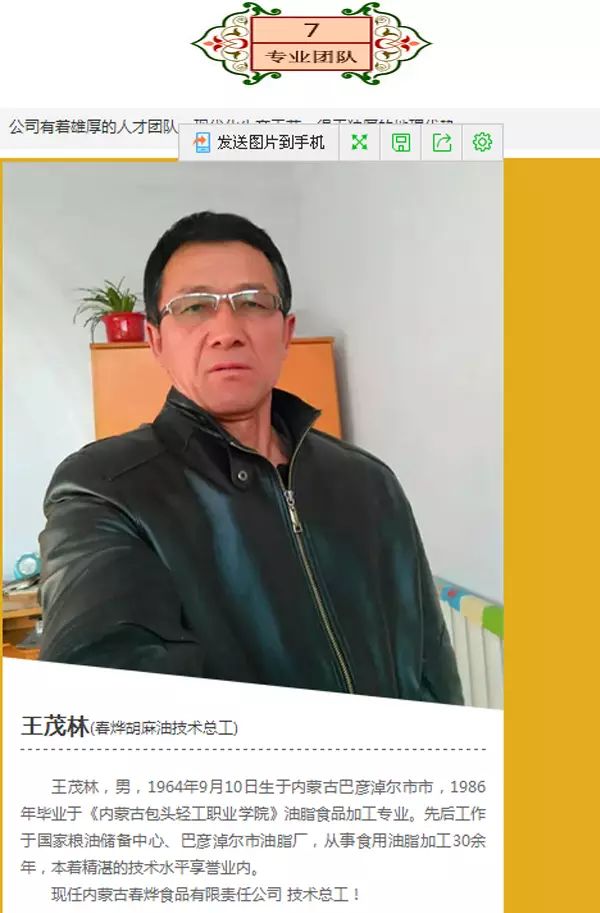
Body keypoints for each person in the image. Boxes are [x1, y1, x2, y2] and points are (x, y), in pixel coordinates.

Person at [39, 211, 463, 703]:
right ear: (156, 341)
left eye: (253, 302)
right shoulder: (104, 489)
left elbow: (433, 667)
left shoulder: (369, 482)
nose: (227, 330)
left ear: (286, 332)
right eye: (194, 306)